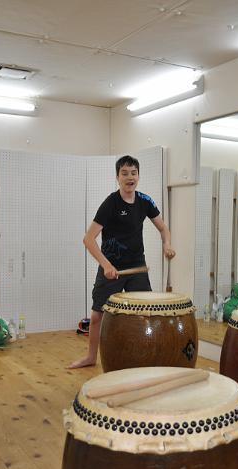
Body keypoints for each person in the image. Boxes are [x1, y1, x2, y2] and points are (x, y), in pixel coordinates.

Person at [70, 155, 174, 369]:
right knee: (98, 314)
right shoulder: (110, 203)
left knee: (146, 312)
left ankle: (148, 355)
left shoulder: (145, 201)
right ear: (117, 177)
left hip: (137, 267)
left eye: (133, 173)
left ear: (138, 176)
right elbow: (88, 239)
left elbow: (163, 228)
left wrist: (167, 245)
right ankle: (91, 357)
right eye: (124, 173)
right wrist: (106, 265)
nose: (130, 177)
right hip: (112, 267)